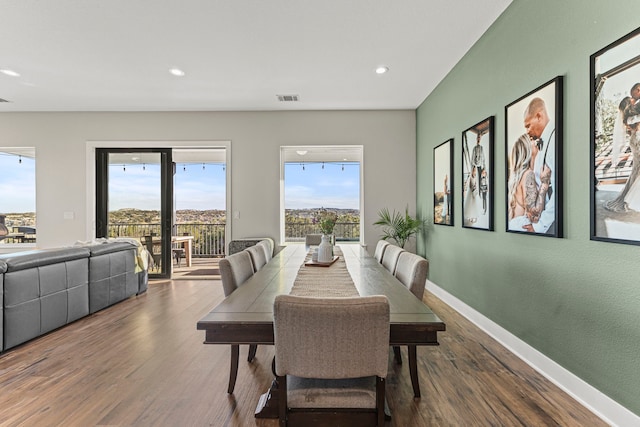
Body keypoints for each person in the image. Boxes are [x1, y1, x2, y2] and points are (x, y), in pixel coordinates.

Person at [522, 97, 555, 233]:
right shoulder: (543, 143)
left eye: (528, 125)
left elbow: (559, 191)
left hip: (550, 225)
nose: (527, 131)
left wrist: (540, 226)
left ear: (539, 116)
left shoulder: (554, 140)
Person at [605, 88, 640, 212]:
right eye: (631, 100)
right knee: (637, 168)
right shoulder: (632, 118)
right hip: (637, 141)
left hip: (635, 141)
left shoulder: (628, 118)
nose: (634, 100)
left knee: (637, 169)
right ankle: (631, 197)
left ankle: (630, 195)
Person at [507, 134, 551, 231]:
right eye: (532, 140)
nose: (536, 143)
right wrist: (544, 184)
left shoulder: (517, 177)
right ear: (527, 149)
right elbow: (535, 215)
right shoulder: (528, 174)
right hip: (522, 228)